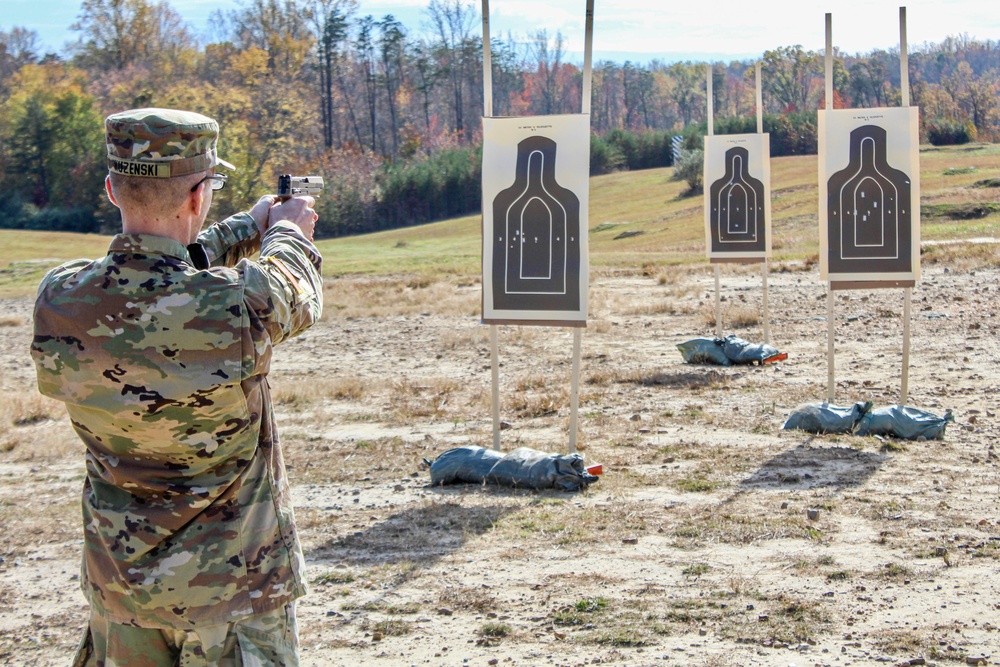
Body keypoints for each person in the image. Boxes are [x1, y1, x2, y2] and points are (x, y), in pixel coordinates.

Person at [30, 108, 323, 666]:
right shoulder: (240, 302)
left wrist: (246, 225)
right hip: (232, 593)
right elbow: (292, 278)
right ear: (197, 196)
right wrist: (286, 227)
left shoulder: (60, 299)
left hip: (122, 590)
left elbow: (153, 275)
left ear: (113, 189)